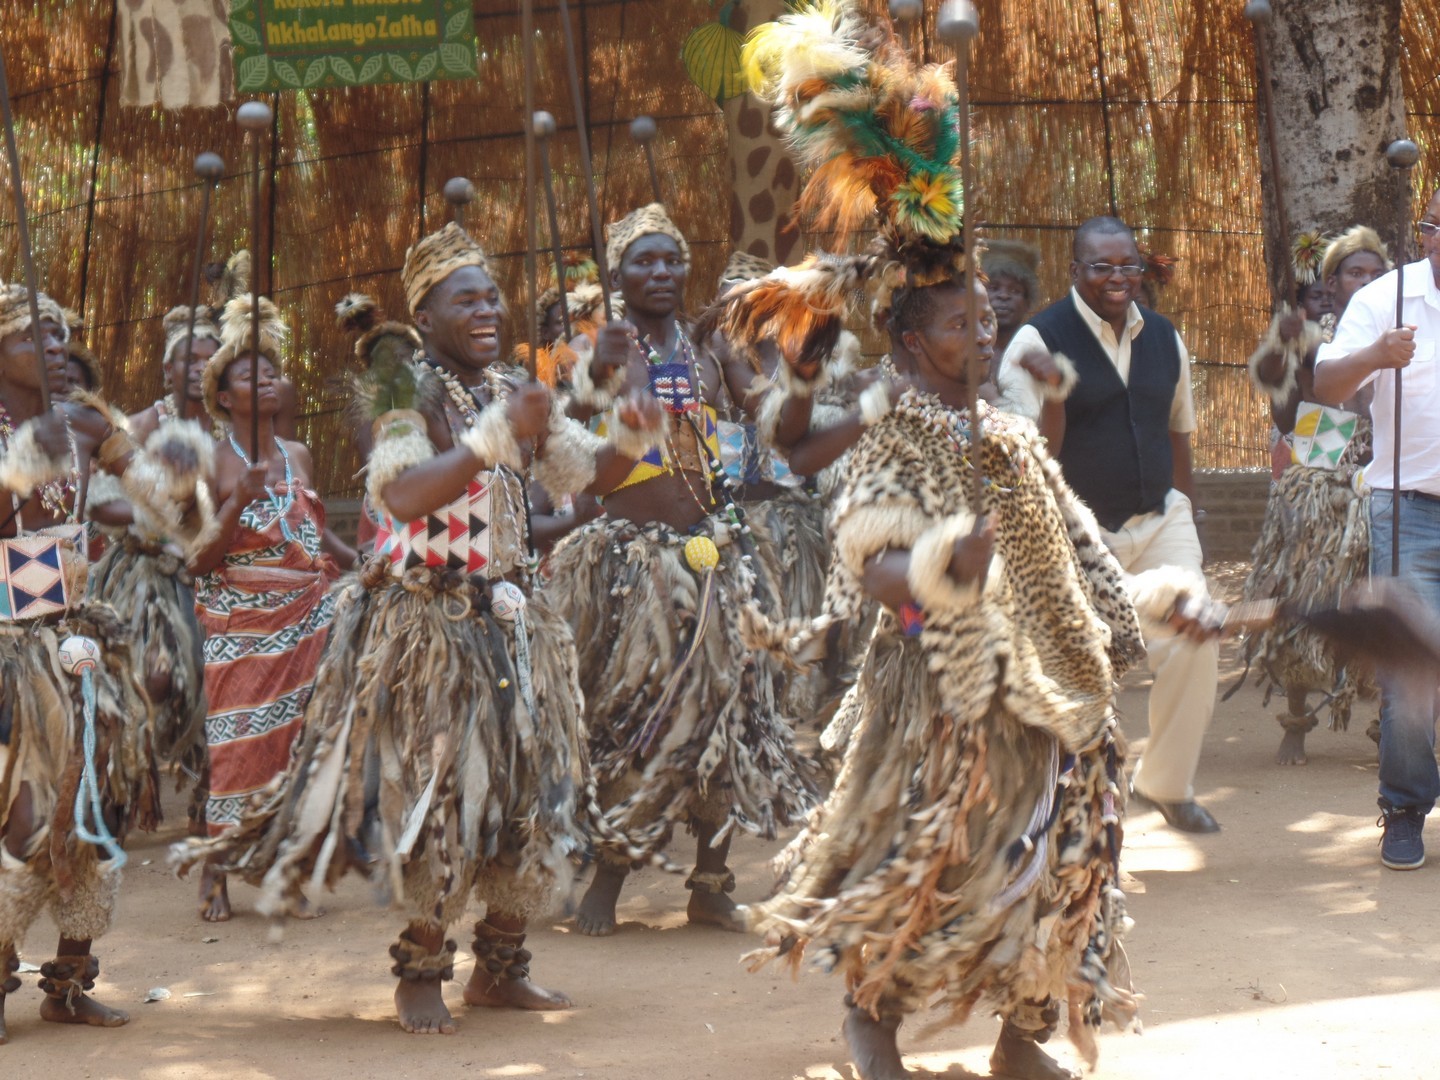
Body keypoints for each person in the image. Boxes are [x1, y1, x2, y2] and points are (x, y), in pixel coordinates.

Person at [732, 11, 1151, 1076]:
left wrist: (1140, 605)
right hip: (939, 686)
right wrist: (937, 573)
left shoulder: (1000, 427)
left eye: (986, 319)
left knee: (1061, 858)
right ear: (912, 341)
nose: (983, 332)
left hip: (1049, 682)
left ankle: (1022, 1034)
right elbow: (869, 563)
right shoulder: (893, 429)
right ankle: (870, 1019)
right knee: (919, 857)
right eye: (962, 324)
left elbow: (1068, 540)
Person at [174, 220, 665, 1035]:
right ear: (426, 318)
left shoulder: (508, 384)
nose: (487, 309)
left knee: (529, 793)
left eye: (491, 295)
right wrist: (495, 434)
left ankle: (501, 967)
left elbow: (589, 475)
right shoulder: (402, 392)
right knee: (441, 799)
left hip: (515, 619)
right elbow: (402, 495)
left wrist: (632, 426)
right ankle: (422, 970)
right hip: (431, 626)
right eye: (465, 300)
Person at [547, 202, 819, 938]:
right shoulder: (596, 346)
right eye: (645, 261)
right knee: (639, 715)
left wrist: (789, 372)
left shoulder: (708, 350)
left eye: (671, 260)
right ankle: (608, 875)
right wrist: (595, 375)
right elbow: (565, 435)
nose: (661, 272)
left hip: (714, 549)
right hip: (632, 563)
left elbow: (770, 423)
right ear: (618, 274)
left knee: (732, 709)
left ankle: (711, 883)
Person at [0, 280, 185, 1041]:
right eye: (31, 336)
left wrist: (163, 467)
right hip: (9, 647)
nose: (53, 346)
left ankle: (69, 984)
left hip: (79, 638)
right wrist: (24, 457)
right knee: (23, 820)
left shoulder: (82, 420)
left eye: (58, 334)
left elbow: (155, 497)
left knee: (99, 807)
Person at [999, 215, 1221, 834]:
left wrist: (1188, 509)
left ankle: (1166, 784)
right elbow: (1023, 453)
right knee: (1077, 664)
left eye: (1128, 266)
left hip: (1160, 517)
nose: (1117, 278)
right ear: (1075, 270)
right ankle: (1067, 808)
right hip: (1077, 531)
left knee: (1195, 632)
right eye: (1101, 266)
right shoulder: (1037, 340)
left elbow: (1178, 433)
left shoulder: (1165, 337)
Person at [186, 292, 353, 921]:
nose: (264, 381)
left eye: (269, 372)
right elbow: (197, 559)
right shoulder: (210, 461)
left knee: (296, 747)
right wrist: (237, 501)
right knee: (237, 746)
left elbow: (315, 535)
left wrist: (361, 562)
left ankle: (285, 869)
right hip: (240, 622)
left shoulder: (298, 454)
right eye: (247, 375)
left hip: (305, 616)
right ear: (223, 397)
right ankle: (216, 867)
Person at [1312, 189, 1440, 871]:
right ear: (1426, 233)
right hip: (1407, 508)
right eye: (1439, 227)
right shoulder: (1385, 300)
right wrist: (1375, 356)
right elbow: (1327, 387)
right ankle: (1406, 808)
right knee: (1410, 669)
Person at [1240, 225, 1390, 763]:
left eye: (1375, 273)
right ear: (1332, 283)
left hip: (1383, 468)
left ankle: (1389, 724)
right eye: (1355, 273)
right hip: (1320, 468)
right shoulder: (1315, 339)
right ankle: (1298, 721)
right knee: (1305, 591)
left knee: (1387, 593)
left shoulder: (1401, 332)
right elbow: (1286, 415)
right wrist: (1284, 343)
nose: (1366, 281)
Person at [982, 239, 1041, 374]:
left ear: (1027, 301)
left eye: (1015, 290)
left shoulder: (1037, 348)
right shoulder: (962, 348)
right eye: (994, 288)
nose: (1004, 296)